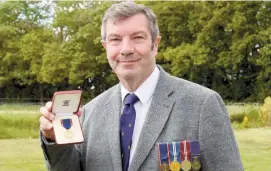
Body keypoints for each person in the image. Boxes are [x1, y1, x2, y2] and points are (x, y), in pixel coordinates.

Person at [39, 2, 244, 171]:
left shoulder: (202, 105)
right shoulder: (89, 113)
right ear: (105, 47)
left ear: (155, 44)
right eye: (115, 40)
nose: (126, 49)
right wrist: (55, 140)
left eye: (137, 37)